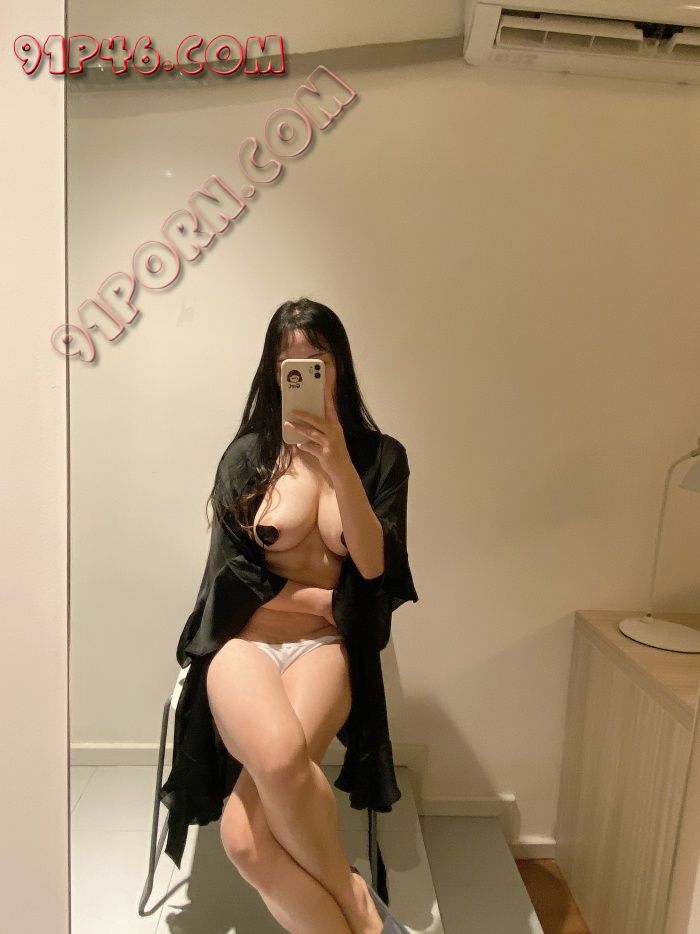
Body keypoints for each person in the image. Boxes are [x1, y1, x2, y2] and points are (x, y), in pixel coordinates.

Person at [159, 298, 419, 933]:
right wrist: (329, 599)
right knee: (276, 766)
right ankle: (358, 906)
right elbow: (228, 583)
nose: (301, 372)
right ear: (273, 374)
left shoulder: (380, 458)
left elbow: (374, 566)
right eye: (288, 363)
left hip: (323, 651)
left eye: (316, 360)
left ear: (339, 366)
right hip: (243, 646)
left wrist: (338, 465)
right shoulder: (248, 457)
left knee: (246, 839)